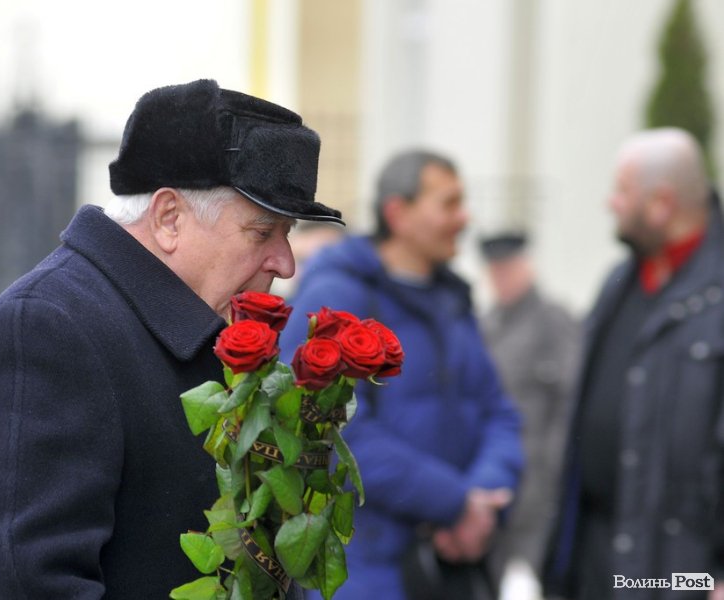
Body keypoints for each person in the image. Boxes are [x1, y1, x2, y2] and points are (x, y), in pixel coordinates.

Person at [0, 79, 343, 598]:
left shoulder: (203, 328)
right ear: (169, 218)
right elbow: (16, 585)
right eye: (262, 232)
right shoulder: (45, 330)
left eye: (287, 234)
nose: (285, 263)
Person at [280, 149, 524, 600]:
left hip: (455, 567)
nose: (464, 218)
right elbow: (329, 431)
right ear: (398, 213)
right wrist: (454, 503)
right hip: (367, 572)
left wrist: (485, 494)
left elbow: (498, 413)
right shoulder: (337, 296)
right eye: (449, 203)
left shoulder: (452, 301)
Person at [542, 128, 724, 600]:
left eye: (622, 191)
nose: (611, 203)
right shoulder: (619, 281)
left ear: (661, 203)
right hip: (595, 553)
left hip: (681, 569)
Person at [477, 232, 580, 596]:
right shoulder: (487, 323)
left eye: (507, 269)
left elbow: (570, 402)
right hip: (495, 481)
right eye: (494, 272)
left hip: (540, 483)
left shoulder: (554, 322)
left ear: (526, 267)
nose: (500, 279)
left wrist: (555, 464)